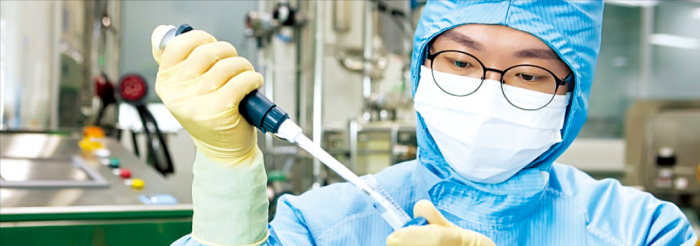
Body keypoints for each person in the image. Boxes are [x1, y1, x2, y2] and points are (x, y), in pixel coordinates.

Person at [153, 1, 698, 245]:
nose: (490, 93)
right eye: (461, 63)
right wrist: (227, 164)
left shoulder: (640, 231)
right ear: (420, 69)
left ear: (573, 97)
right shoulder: (317, 227)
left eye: (529, 74)